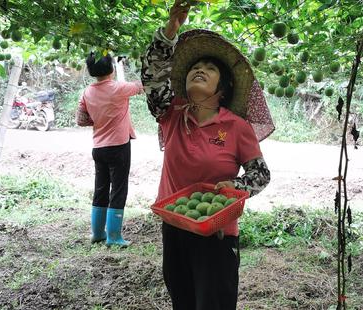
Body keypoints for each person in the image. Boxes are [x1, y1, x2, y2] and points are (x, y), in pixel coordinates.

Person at [141, 1, 275, 308]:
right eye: (195, 68)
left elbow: (260, 174)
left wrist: (237, 189)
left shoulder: (236, 126)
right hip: (174, 229)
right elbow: (153, 78)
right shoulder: (171, 113)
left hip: (217, 235)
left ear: (223, 88)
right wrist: (169, 31)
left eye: (210, 68)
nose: (200, 69)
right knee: (183, 302)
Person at [76, 52, 144, 247]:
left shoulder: (87, 92)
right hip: (119, 147)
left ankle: (98, 233)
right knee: (119, 189)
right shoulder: (118, 88)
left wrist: (98, 120)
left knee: (101, 189)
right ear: (112, 68)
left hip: (98, 147)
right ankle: (114, 236)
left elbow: (80, 120)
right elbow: (142, 87)